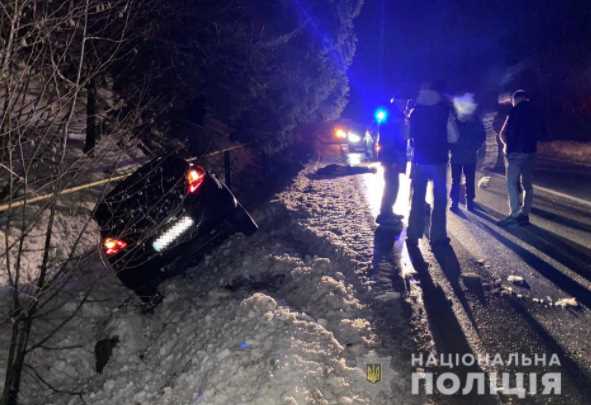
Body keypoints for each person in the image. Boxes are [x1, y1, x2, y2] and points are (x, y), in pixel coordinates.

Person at [407, 81, 459, 246]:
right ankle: (438, 236)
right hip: (439, 159)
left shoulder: (415, 112)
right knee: (440, 198)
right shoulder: (444, 111)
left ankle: (414, 232)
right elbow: (453, 137)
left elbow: (408, 135)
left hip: (420, 160)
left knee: (418, 196)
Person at [497, 89, 545, 226]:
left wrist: (507, 145)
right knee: (527, 185)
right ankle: (525, 214)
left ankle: (514, 213)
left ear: (515, 99)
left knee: (511, 183)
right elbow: (542, 132)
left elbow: (502, 133)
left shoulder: (514, 111)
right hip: (531, 152)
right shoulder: (536, 112)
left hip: (515, 153)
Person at [376, 105, 407, 228]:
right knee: (391, 186)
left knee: (392, 186)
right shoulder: (391, 124)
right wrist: (393, 160)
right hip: (391, 159)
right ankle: (385, 215)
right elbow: (390, 143)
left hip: (390, 158)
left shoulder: (390, 122)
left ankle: (388, 212)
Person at [449, 110, 486, 211]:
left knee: (456, 180)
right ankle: (469, 202)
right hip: (470, 155)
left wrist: (451, 148)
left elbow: (449, 136)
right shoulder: (475, 122)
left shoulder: (455, 122)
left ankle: (455, 203)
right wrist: (475, 147)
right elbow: (482, 136)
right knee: (469, 179)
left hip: (456, 155)